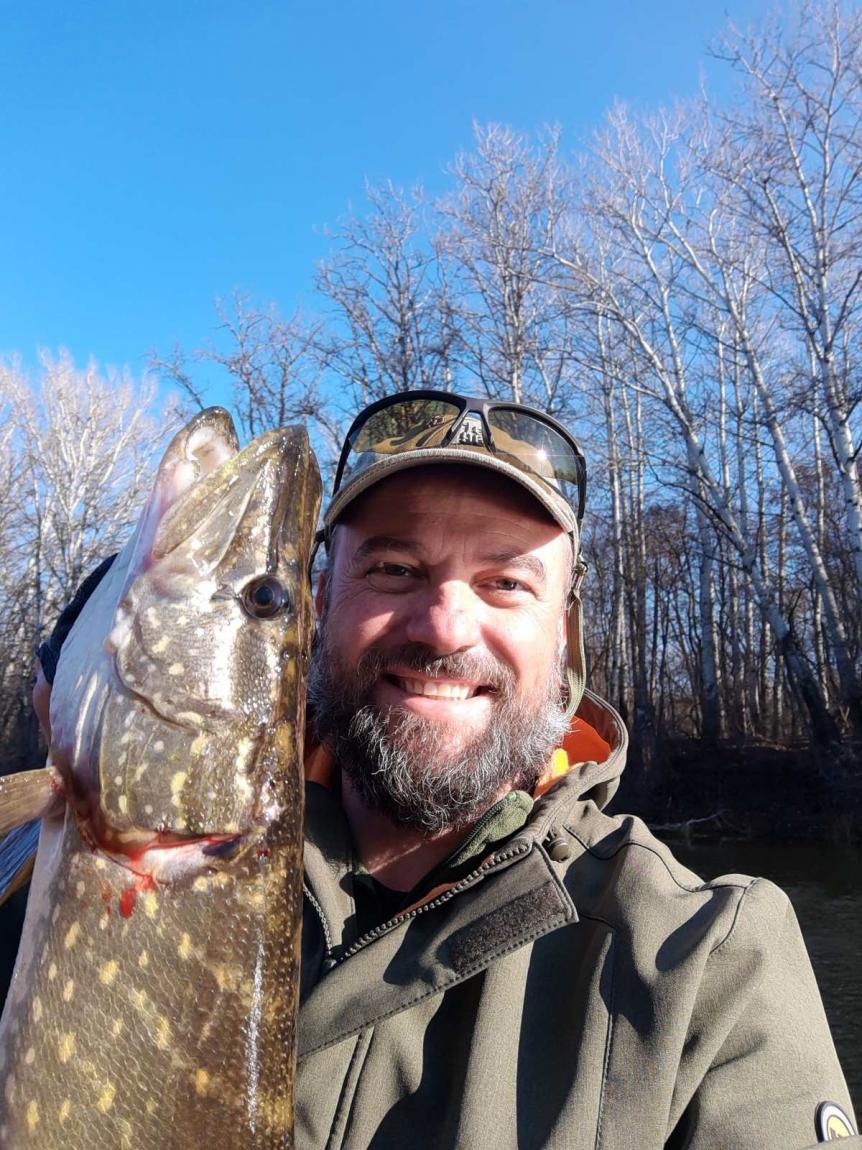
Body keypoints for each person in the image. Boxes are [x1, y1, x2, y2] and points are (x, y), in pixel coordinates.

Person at [34, 389, 858, 1148]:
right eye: (394, 569)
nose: (444, 625)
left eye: (506, 582)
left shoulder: (709, 964)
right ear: (321, 603)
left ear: (565, 636)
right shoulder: (62, 851)